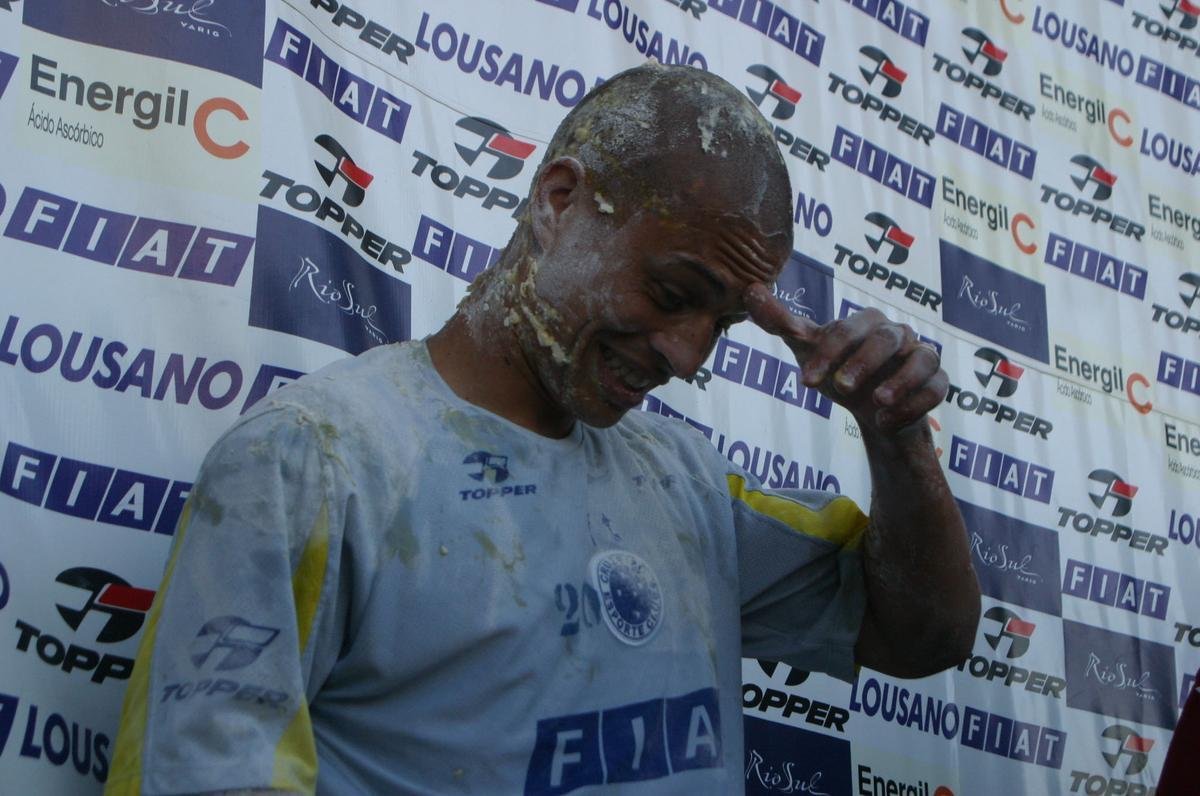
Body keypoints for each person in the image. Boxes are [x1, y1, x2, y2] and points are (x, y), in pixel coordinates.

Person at [105, 63, 980, 795]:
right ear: (559, 200)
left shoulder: (686, 483)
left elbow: (924, 638)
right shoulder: (310, 460)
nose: (686, 356)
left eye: (719, 323)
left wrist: (897, 436)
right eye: (672, 294)